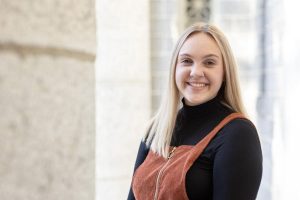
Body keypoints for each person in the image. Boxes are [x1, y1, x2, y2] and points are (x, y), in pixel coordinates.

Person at [128, 22, 263, 200]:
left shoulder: (238, 134)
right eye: (186, 61)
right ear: (174, 69)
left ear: (224, 73)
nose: (196, 72)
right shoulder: (156, 129)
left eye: (209, 62)